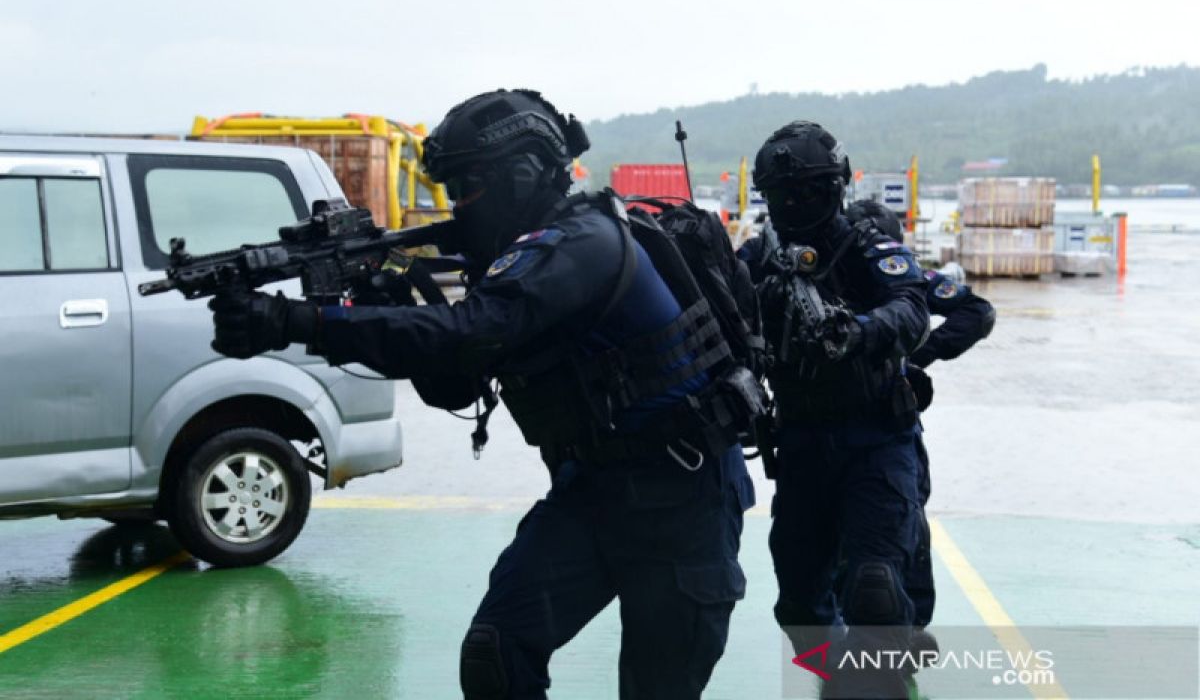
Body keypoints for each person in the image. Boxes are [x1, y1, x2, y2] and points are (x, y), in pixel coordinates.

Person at [208, 88, 755, 700]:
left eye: (466, 186)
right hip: (593, 496)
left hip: (684, 501)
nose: (458, 206)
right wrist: (381, 300)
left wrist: (299, 323)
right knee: (497, 651)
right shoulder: (524, 254)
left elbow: (472, 332)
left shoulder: (583, 242)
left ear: (519, 174)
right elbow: (454, 382)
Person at [738, 122, 929, 698]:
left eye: (811, 193)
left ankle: (885, 679)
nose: (797, 206)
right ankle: (844, 680)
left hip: (876, 440)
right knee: (798, 603)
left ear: (838, 189)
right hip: (798, 446)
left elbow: (912, 309)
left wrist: (860, 330)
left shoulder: (867, 246)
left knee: (873, 585)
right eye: (784, 196)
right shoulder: (753, 259)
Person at [845, 199, 996, 640]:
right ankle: (902, 636)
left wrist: (913, 358)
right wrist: (915, 357)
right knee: (900, 533)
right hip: (888, 436)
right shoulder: (905, 277)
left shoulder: (818, 275)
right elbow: (978, 312)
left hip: (836, 436)